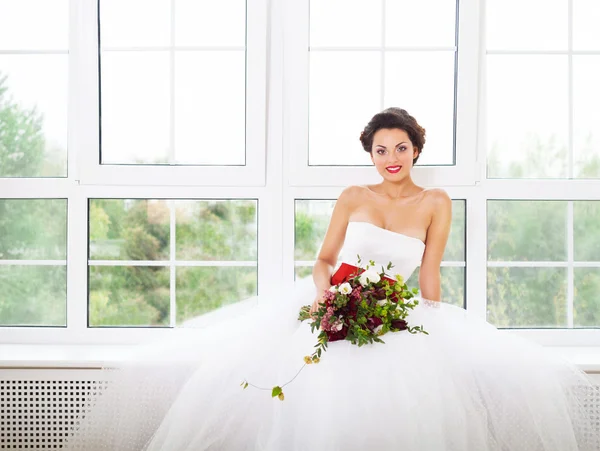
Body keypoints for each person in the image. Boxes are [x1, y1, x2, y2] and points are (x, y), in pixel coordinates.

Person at [66, 108, 599, 450]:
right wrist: (329, 294)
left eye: (401, 148)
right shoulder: (353, 197)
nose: (391, 158)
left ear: (416, 150)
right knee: (306, 407)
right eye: (380, 150)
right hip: (334, 305)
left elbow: (430, 270)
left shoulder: (436, 202)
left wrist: (434, 326)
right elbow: (323, 259)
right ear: (370, 154)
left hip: (395, 312)